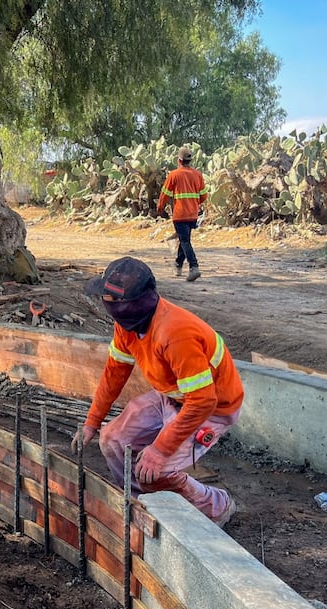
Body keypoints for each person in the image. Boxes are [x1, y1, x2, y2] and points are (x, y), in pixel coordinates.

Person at [73, 256, 243, 527]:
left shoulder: (175, 334)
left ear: (133, 303)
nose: (105, 303)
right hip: (172, 396)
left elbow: (202, 401)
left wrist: (160, 452)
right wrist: (92, 422)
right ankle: (142, 505)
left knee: (157, 470)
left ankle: (217, 506)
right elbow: (115, 372)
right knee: (113, 439)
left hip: (212, 408)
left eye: (111, 299)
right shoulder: (128, 325)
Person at [156, 146, 209, 282]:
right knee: (184, 239)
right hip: (193, 214)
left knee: (185, 241)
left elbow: (164, 194)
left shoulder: (174, 175)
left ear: (179, 160)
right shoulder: (198, 175)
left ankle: (194, 267)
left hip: (180, 214)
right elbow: (204, 196)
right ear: (189, 161)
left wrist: (160, 208)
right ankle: (178, 265)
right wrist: (194, 203)